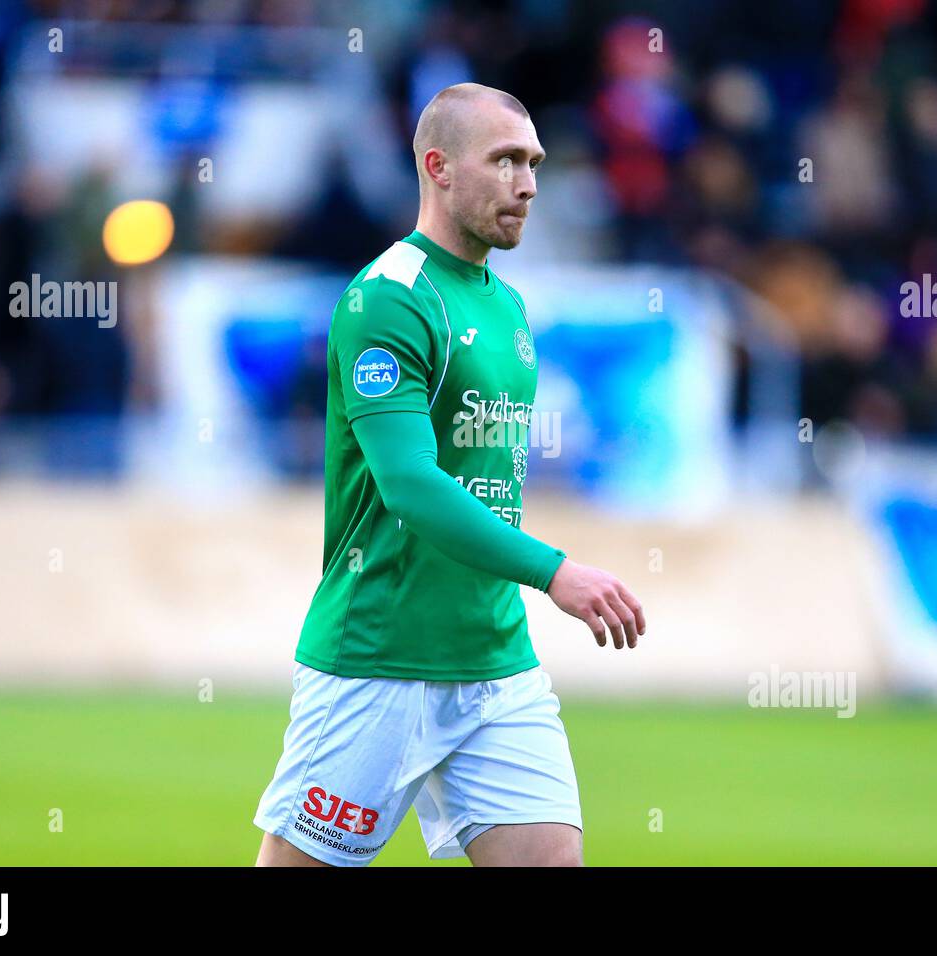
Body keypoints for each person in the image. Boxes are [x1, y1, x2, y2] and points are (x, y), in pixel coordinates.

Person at [253, 83, 646, 867]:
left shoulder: (509, 307)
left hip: (496, 662)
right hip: (380, 659)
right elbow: (411, 485)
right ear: (437, 166)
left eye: (532, 164)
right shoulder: (389, 300)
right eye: (506, 161)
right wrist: (554, 571)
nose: (529, 184)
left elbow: (488, 482)